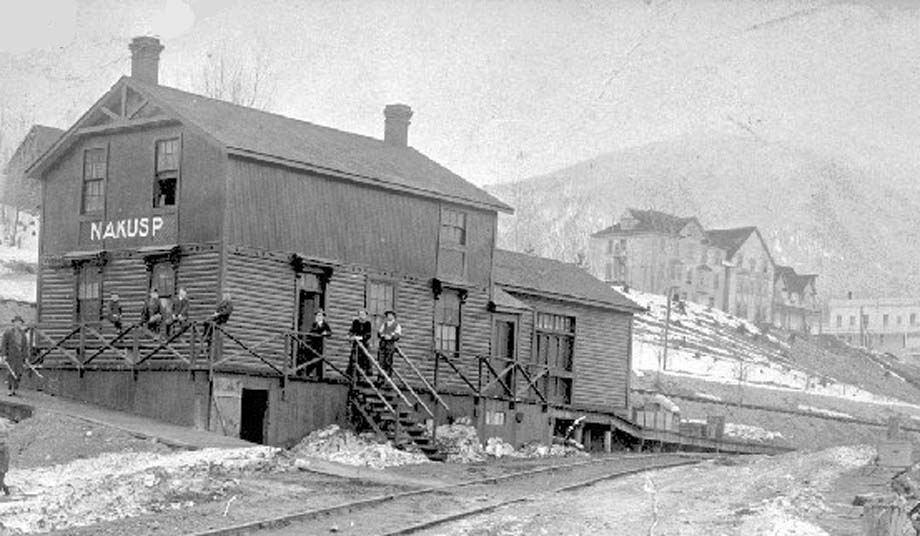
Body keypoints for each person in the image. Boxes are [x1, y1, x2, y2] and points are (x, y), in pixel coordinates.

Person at [2, 316, 27, 397]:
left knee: (19, 373)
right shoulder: (8, 332)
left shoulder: (23, 334)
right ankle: (9, 389)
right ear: (13, 323)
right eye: (16, 322)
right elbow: (4, 344)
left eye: (20, 322)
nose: (18, 324)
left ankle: (14, 389)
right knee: (11, 372)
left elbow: (25, 346)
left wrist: (25, 357)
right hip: (11, 356)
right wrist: (4, 355)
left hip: (19, 356)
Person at [376, 310, 401, 385]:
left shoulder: (396, 325)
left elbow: (398, 335)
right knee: (381, 361)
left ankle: (387, 379)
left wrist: (391, 337)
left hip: (390, 345)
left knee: (388, 361)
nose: (389, 316)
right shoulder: (384, 324)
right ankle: (380, 378)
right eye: (388, 315)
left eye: (391, 315)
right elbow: (379, 332)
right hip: (383, 344)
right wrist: (383, 335)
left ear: (393, 316)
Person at [305, 310, 332, 379]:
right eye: (317, 315)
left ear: (323, 317)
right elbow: (311, 332)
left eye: (320, 316)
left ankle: (320, 375)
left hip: (320, 344)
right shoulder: (314, 324)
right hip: (313, 343)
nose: (319, 317)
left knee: (320, 358)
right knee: (311, 358)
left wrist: (325, 333)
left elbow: (330, 332)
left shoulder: (325, 324)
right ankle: (309, 373)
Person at [348, 309, 373, 379]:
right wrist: (351, 336)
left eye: (363, 314)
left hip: (363, 344)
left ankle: (362, 377)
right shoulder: (355, 322)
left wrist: (361, 338)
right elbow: (352, 330)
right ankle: (353, 376)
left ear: (366, 315)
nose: (361, 316)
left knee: (364, 360)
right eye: (360, 314)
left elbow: (368, 334)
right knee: (354, 359)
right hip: (356, 344)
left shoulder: (368, 323)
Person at [0, 432, 9, 496]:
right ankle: (5, 488)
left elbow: (6, 458)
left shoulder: (5, 448)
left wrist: (4, 467)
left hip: (1, 467)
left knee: (0, 480)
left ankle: (4, 488)